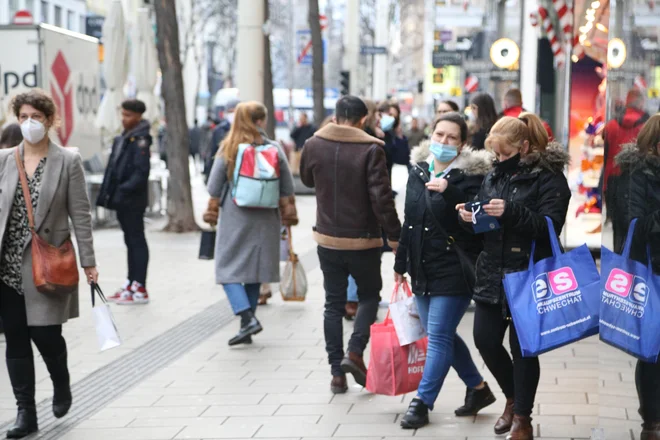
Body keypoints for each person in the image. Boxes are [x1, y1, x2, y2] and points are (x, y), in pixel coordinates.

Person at [456, 113, 570, 439]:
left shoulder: (549, 178)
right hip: (492, 272)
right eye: (496, 154)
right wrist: (470, 215)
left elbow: (550, 227)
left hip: (529, 274)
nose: (499, 159)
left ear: (523, 147)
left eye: (505, 153)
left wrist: (511, 211)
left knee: (523, 349)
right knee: (486, 340)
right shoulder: (495, 175)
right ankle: (511, 397)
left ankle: (522, 417)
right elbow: (487, 227)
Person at [0, 89, 98, 438]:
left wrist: (89, 261)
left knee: (46, 335)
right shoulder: (5, 159)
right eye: (23, 117)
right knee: (15, 340)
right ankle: (25, 413)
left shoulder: (67, 160)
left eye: (36, 117)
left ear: (50, 120)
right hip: (7, 265)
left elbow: (81, 215)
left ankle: (61, 380)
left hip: (47, 262)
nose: (29, 123)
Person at [395, 112, 496, 429]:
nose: (443, 142)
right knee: (442, 335)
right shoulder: (418, 171)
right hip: (422, 267)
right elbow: (410, 222)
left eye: (452, 137)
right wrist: (400, 264)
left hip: (455, 268)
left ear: (463, 143)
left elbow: (477, 227)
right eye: (439, 135)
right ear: (431, 135)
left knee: (437, 337)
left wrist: (449, 193)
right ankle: (478, 389)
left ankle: (422, 403)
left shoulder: (472, 179)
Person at [300, 95, 401, 394]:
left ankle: (336, 374)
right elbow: (382, 199)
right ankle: (354, 352)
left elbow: (306, 179)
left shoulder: (313, 144)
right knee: (369, 296)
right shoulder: (371, 148)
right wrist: (395, 236)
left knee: (333, 303)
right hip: (362, 241)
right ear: (361, 119)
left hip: (328, 238)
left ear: (336, 116)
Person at [206, 101, 297, 346]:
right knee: (255, 271)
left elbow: (213, 186)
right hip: (266, 217)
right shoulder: (274, 148)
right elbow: (288, 186)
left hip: (236, 216)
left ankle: (246, 317)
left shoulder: (230, 148)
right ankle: (249, 323)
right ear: (260, 121)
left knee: (226, 270)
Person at [612, 115, 660, 439]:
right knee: (654, 351)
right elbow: (635, 226)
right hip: (651, 272)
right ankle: (652, 421)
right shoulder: (634, 176)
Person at [97, 99, 152, 305]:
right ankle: (131, 282)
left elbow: (140, 173)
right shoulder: (125, 137)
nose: (123, 119)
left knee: (136, 240)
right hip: (122, 200)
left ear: (138, 117)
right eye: (123, 114)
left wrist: (122, 191)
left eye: (128, 115)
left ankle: (140, 286)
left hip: (132, 201)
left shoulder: (140, 139)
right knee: (130, 241)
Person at [601, 89, 650, 228]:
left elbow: (606, 159)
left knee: (618, 233)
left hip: (613, 182)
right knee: (637, 234)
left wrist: (604, 188)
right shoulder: (647, 127)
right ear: (640, 102)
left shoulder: (610, 126)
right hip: (639, 182)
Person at [204, 100, 238, 181]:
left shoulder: (247, 131)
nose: (232, 115)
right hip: (224, 174)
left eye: (234, 111)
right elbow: (212, 153)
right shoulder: (219, 130)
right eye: (230, 112)